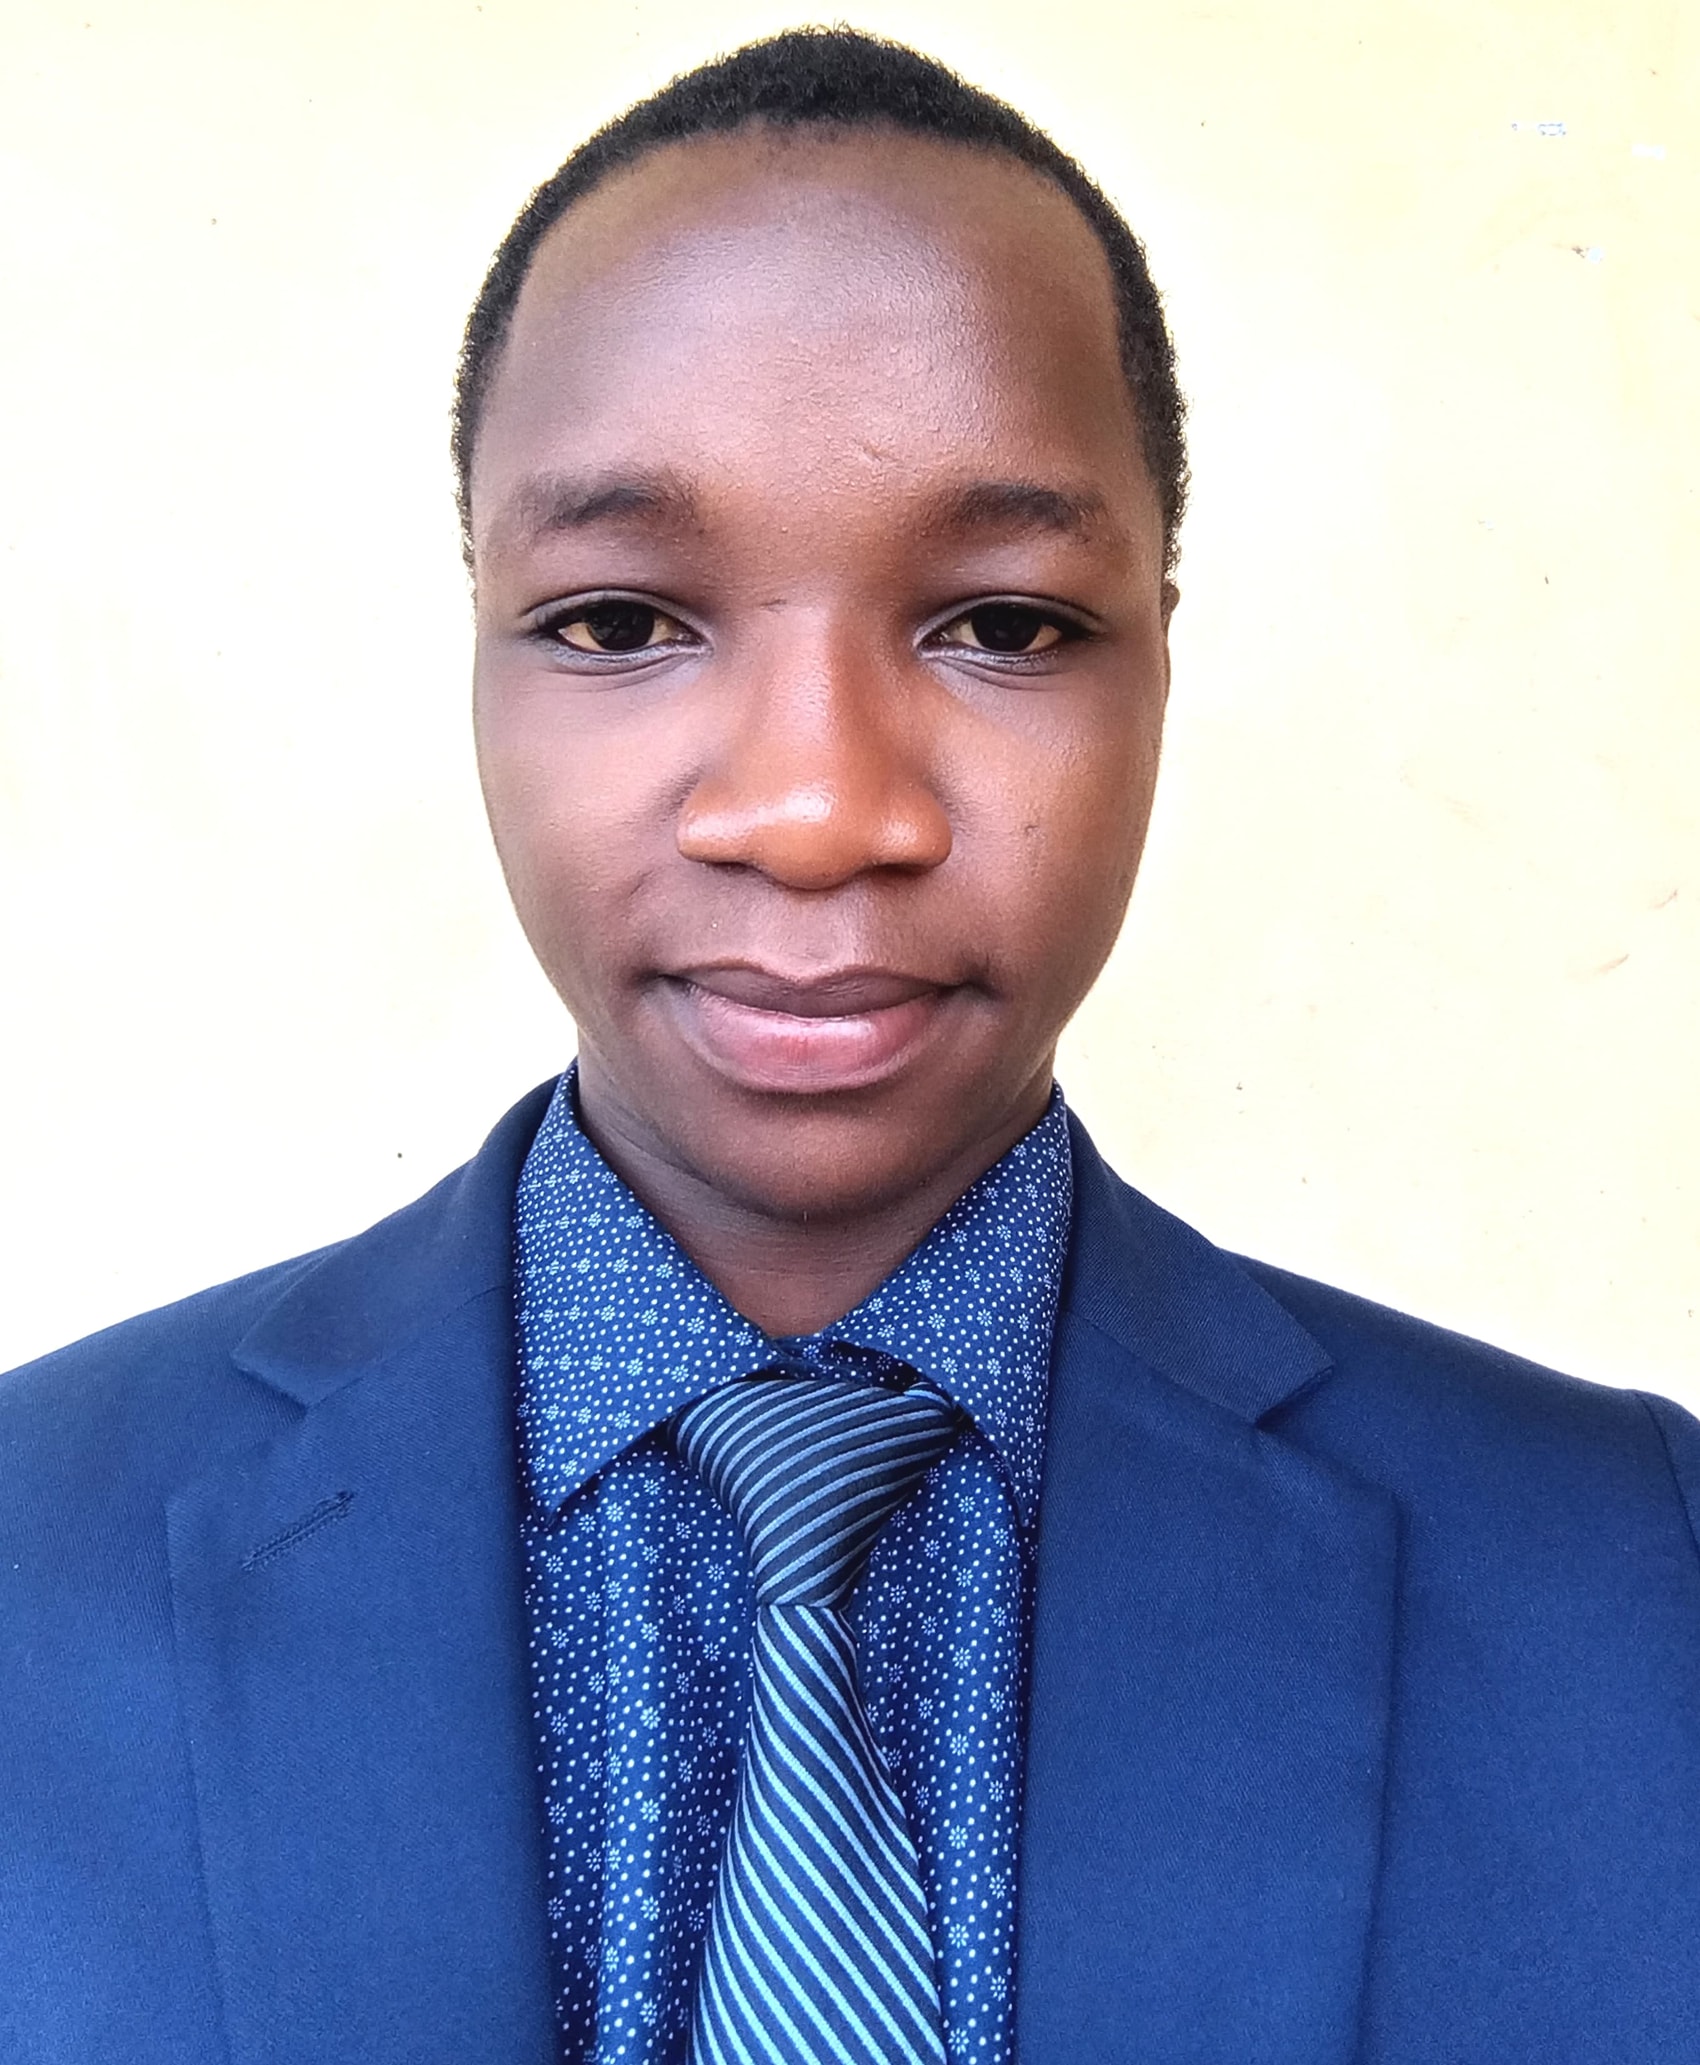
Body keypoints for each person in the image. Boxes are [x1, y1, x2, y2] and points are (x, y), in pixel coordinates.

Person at [2, 26, 1696, 2065]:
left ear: (1162, 650)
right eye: (620, 621)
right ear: (478, 638)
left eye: (1006, 624)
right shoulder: (32, 1541)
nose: (815, 810)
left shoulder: (1633, 1575)